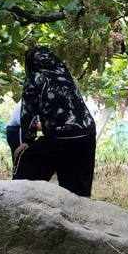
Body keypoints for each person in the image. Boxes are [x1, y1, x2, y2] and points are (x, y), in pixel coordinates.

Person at [13, 46, 96, 197]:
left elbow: (28, 111)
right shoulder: (63, 72)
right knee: (76, 186)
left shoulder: (34, 77)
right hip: (87, 132)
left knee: (25, 162)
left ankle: (20, 202)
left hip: (62, 135)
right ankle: (81, 214)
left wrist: (28, 140)